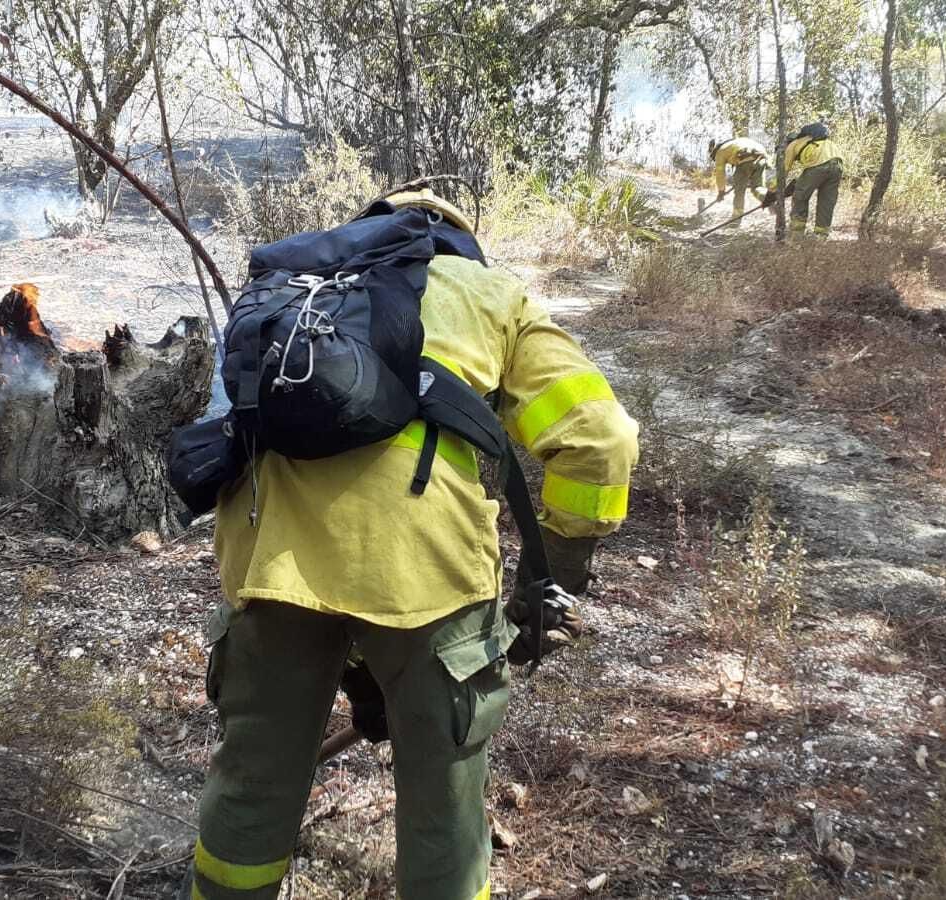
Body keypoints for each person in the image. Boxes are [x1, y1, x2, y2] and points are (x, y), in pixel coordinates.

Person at [185, 188, 640, 900]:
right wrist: (557, 575)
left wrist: (359, 670)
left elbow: (220, 443)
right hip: (427, 572)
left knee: (252, 790)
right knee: (443, 814)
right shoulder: (492, 294)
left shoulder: (285, 289)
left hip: (267, 564)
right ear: (459, 240)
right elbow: (601, 440)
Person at [772, 121, 844, 235]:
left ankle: (796, 233)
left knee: (800, 196)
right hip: (837, 164)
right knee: (826, 201)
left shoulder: (792, 145)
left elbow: (783, 172)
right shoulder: (813, 140)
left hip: (818, 164)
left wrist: (772, 189)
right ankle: (822, 235)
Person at [708, 137, 772, 216]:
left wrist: (721, 191)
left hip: (744, 159)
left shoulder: (720, 152)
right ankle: (771, 200)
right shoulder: (736, 142)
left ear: (714, 150)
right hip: (762, 158)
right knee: (758, 187)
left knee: (739, 191)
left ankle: (736, 217)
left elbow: (720, 174)